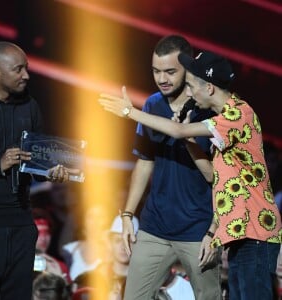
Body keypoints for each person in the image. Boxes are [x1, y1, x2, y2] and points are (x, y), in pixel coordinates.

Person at [98, 50, 282, 299]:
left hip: (255, 234)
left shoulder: (238, 116)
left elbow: (175, 130)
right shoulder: (225, 119)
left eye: (193, 86)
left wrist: (130, 112)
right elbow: (214, 177)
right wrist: (213, 231)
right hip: (240, 233)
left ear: (209, 88)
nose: (189, 92)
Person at [102, 35, 222, 300]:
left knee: (208, 296)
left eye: (170, 71)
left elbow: (219, 178)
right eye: (156, 71)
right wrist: (127, 216)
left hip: (198, 229)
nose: (161, 78)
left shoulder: (211, 110)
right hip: (154, 227)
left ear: (188, 69)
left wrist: (214, 230)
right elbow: (144, 163)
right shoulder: (152, 105)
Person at [0, 41, 70, 300]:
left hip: (21, 221)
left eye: (27, 68)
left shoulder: (29, 106)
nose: (26, 75)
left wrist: (50, 171)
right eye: (18, 69)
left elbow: (38, 158)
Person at [32, 207, 71, 283]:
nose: (43, 238)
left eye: (46, 232)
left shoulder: (59, 266)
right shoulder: (12, 265)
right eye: (38, 233)